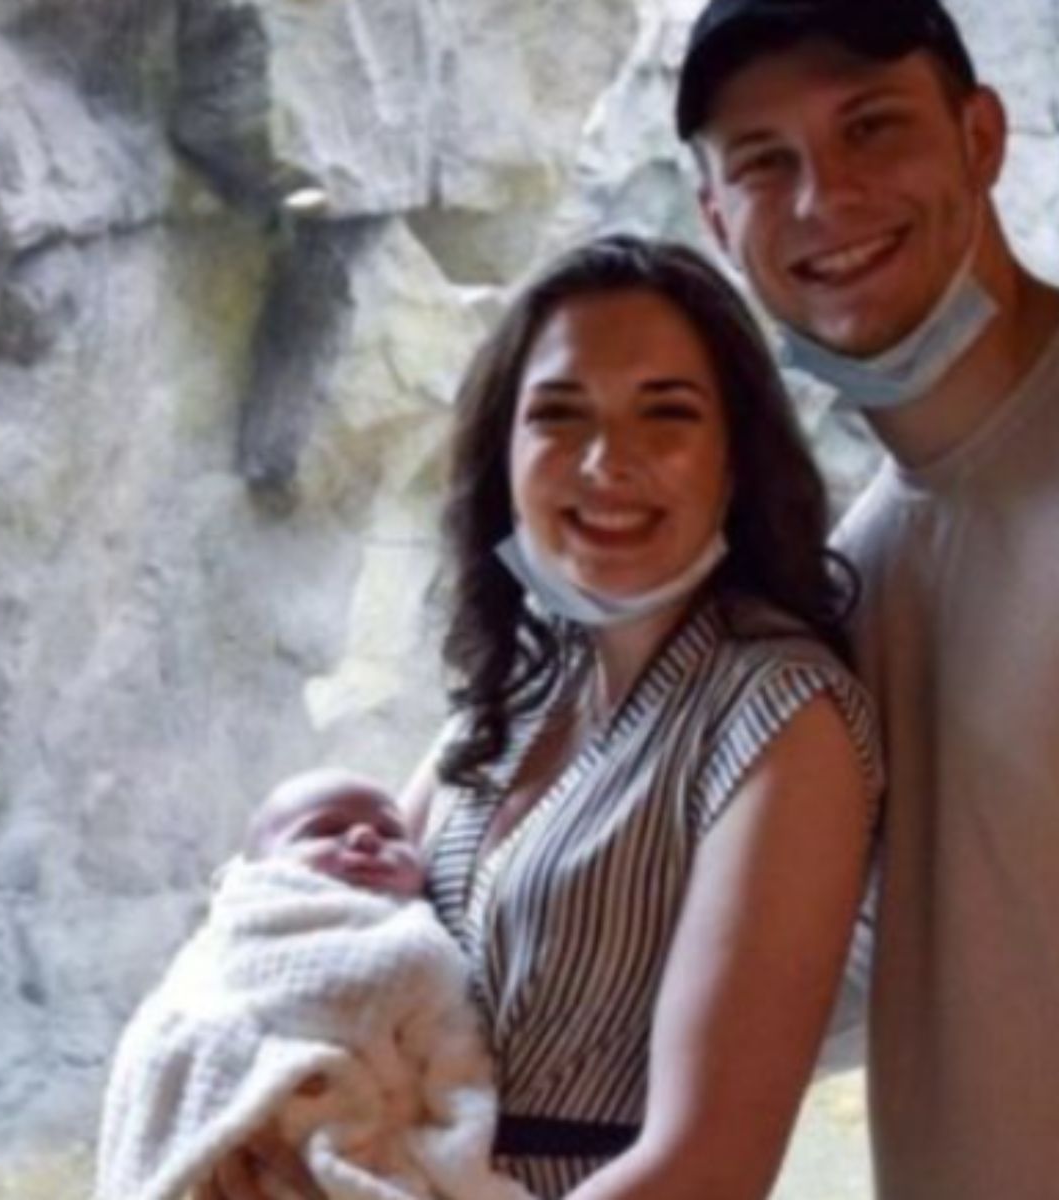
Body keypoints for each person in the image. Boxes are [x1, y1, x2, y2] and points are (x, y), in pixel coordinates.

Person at [199, 235, 882, 1200]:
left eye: (668, 414)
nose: (608, 461)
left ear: (738, 456)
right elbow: (330, 939)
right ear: (505, 453)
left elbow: (708, 1165)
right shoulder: (519, 690)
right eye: (559, 415)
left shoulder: (782, 720)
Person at [676, 1, 1059, 1197]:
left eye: (871, 127)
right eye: (764, 164)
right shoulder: (861, 581)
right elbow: (866, 960)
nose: (822, 198)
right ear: (718, 222)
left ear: (980, 135)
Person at [96, 768, 530, 1200]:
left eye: (392, 833)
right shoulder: (242, 920)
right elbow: (178, 1018)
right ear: (261, 867)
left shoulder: (416, 942)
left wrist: (457, 1159)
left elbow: (455, 1063)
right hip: (235, 1140)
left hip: (356, 1145)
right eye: (324, 829)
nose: (365, 837)